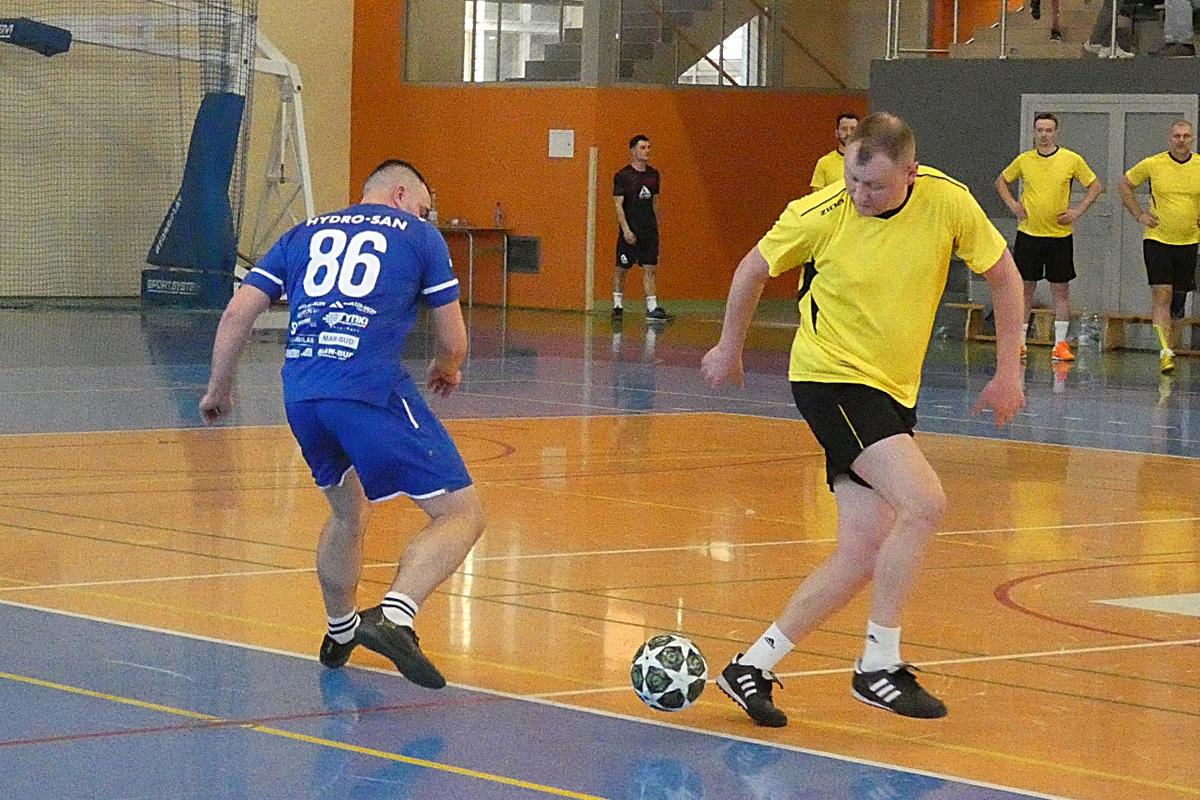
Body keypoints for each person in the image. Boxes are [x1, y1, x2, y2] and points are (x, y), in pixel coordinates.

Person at [701, 112, 1025, 726]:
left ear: (911, 173)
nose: (859, 194)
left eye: (874, 185)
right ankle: (879, 664)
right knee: (924, 503)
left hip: (892, 389)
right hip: (831, 379)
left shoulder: (947, 201)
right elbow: (752, 269)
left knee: (862, 552)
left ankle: (752, 667)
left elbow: (1005, 278)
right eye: (853, 179)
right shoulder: (820, 213)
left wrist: (1009, 370)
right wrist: (729, 345)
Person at [199, 159, 486, 688]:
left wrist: (219, 388)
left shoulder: (302, 234)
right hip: (367, 389)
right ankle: (396, 615)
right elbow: (454, 340)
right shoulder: (419, 236)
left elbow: (238, 312)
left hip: (303, 396)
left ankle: (340, 629)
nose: (425, 216)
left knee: (348, 514)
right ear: (399, 194)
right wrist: (447, 368)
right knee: (461, 513)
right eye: (423, 206)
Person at [995, 112, 1102, 362]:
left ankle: (1060, 344)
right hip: (1029, 235)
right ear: (1035, 133)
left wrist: (1077, 211)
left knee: (1061, 291)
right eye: (1040, 130)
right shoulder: (1024, 160)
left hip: (1059, 236)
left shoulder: (1071, 159)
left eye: (1048, 130)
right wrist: (1013, 205)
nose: (1044, 135)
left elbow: (1095, 186)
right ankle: (1020, 342)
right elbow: (1001, 181)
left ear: (1056, 133)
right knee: (1025, 290)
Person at [1119, 119, 1200, 374]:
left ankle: (1171, 345)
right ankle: (1164, 352)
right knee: (1162, 293)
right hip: (1157, 239)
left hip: (1188, 241)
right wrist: (1139, 214)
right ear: (1170, 138)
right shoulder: (1153, 164)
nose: (1181, 140)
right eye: (1177, 136)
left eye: (1186, 136)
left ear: (1192, 138)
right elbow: (1125, 184)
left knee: (1178, 301)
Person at [613, 135, 670, 322]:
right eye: (642, 147)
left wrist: (655, 226)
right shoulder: (623, 176)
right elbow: (618, 205)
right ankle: (617, 305)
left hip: (649, 231)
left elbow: (655, 202)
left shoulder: (653, 175)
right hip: (630, 230)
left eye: (648, 147)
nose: (647, 151)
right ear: (633, 151)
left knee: (650, 268)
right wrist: (626, 230)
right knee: (622, 268)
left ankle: (652, 307)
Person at [809, 112, 860, 192]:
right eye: (844, 129)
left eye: (853, 129)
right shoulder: (824, 163)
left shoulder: (868, 161)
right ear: (837, 133)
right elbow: (817, 196)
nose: (848, 133)